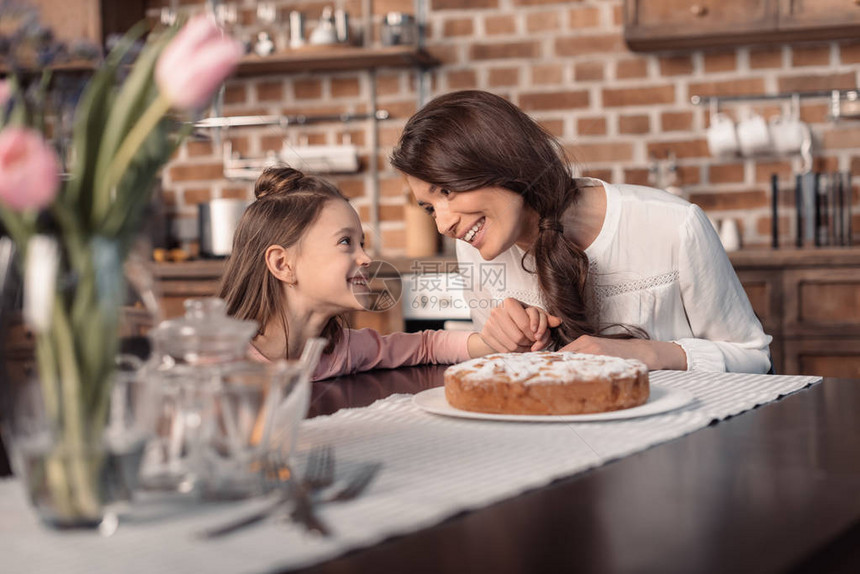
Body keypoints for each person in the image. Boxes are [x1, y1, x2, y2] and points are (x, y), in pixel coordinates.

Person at [390, 90, 772, 374]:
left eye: (447, 190)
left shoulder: (674, 225)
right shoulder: (475, 248)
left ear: (499, 159)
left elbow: (755, 359)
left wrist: (649, 354)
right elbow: (511, 382)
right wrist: (507, 347)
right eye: (429, 206)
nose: (443, 224)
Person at [217, 167, 555, 381]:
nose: (366, 258)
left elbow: (427, 346)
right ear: (282, 265)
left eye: (361, 242)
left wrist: (506, 339)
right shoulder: (219, 360)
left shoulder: (339, 351)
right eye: (346, 242)